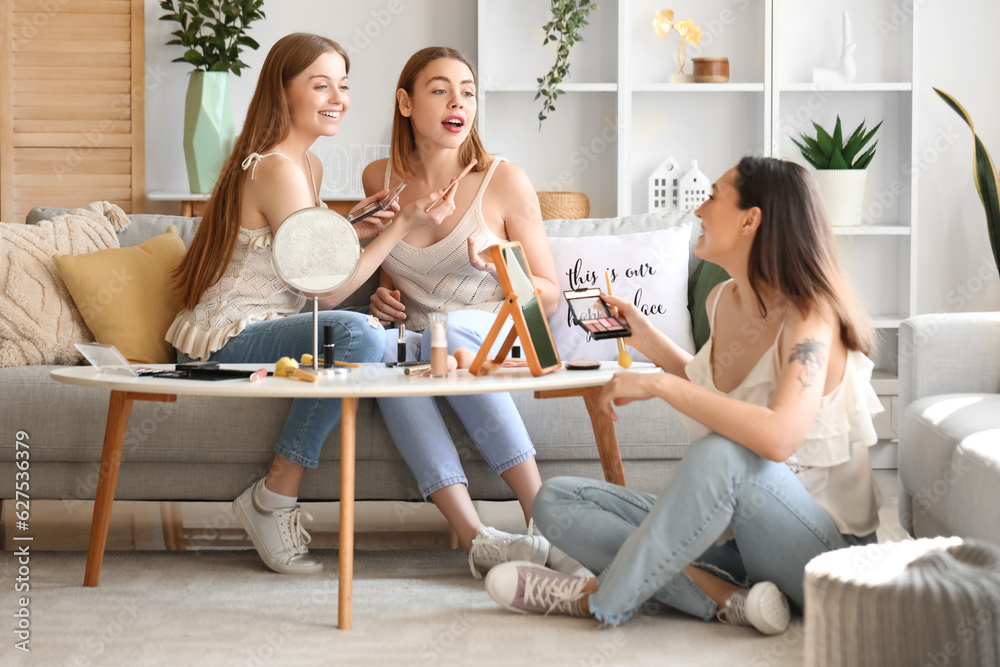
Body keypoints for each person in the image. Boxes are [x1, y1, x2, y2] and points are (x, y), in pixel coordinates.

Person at [484, 156, 884, 635]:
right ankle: (727, 599)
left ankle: (598, 597)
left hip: (824, 557)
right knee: (555, 500)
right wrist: (647, 339)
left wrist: (657, 383)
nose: (698, 211)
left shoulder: (812, 315)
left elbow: (776, 438)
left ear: (750, 219)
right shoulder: (724, 301)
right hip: (738, 545)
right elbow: (711, 386)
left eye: (713, 196)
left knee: (722, 452)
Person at [167, 33, 457, 576]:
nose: (337, 97)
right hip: (226, 337)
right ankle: (272, 498)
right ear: (283, 92)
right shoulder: (277, 168)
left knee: (371, 332)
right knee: (363, 336)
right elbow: (323, 291)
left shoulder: (308, 167)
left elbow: (299, 267)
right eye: (320, 85)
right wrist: (397, 229)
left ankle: (275, 498)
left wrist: (354, 229)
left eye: (343, 85)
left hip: (271, 323)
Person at [360, 46, 584, 579]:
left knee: (452, 326)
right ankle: (476, 538)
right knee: (388, 354)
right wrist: (382, 295)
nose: (458, 101)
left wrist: (496, 270)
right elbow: (386, 263)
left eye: (467, 91)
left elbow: (549, 294)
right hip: (422, 348)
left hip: (495, 330)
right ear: (406, 102)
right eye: (440, 89)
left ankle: (543, 517)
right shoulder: (378, 179)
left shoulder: (504, 179)